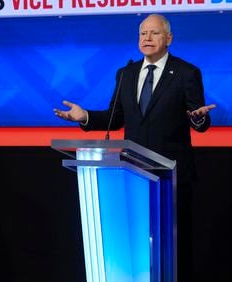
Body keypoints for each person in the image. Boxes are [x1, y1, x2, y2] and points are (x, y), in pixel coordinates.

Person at [53, 14, 215, 281]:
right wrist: (85, 117)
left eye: (154, 33)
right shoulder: (126, 73)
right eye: (143, 34)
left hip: (171, 178)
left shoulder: (186, 73)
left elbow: (198, 116)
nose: (147, 38)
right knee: (138, 248)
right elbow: (115, 117)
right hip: (133, 174)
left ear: (169, 38)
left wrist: (199, 118)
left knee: (175, 252)